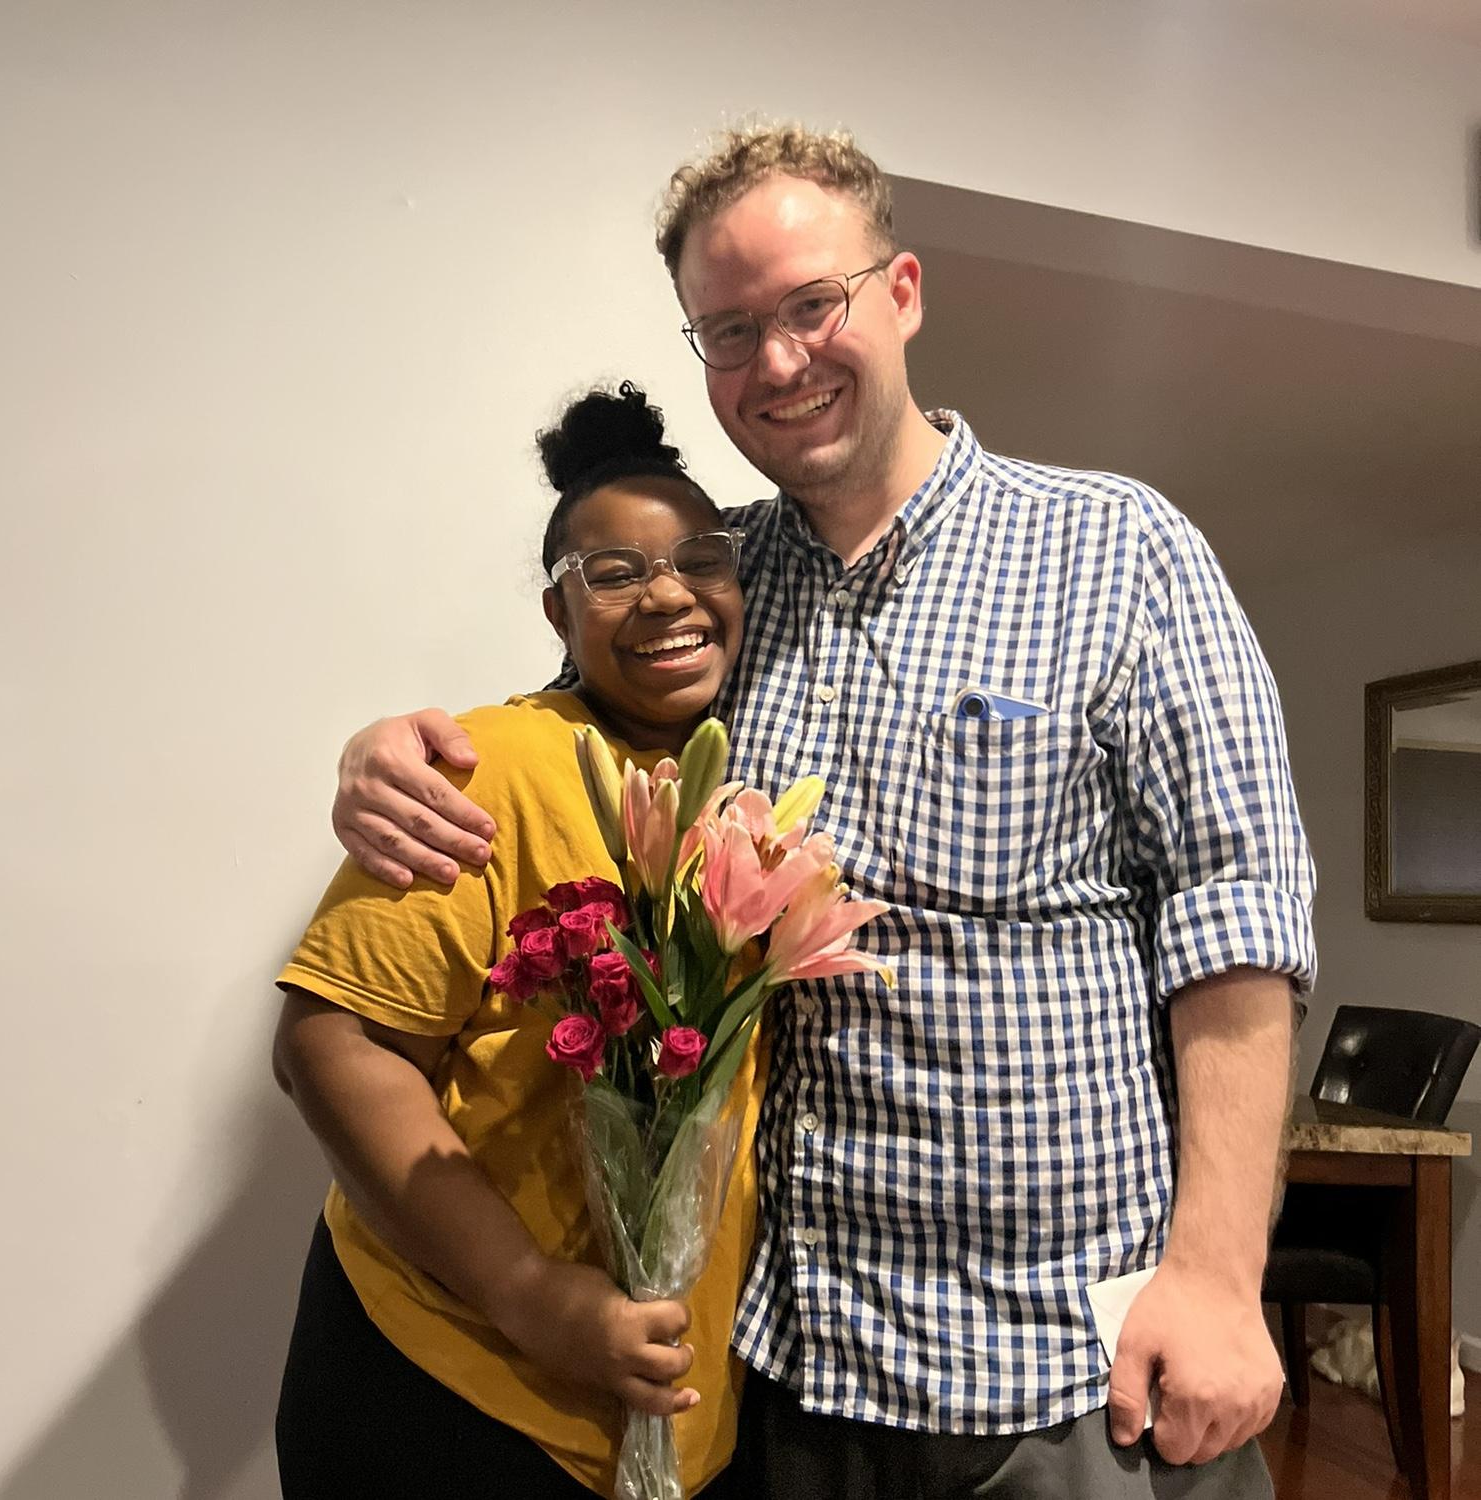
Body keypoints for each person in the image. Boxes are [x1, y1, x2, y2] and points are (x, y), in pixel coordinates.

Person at [328, 126, 1317, 1499]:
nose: (779, 362)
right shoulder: (715, 584)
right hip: (784, 1378)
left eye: (812, 305)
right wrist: (384, 753)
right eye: (730, 333)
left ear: (901, 292)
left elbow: (1235, 916)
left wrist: (1216, 1272)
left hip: (1065, 1377)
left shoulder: (1118, 551)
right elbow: (560, 731)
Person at [272, 383, 761, 1498]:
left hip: (663, 1412)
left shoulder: (739, 785)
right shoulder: (490, 767)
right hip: (452, 1385)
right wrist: (530, 1294)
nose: (667, 594)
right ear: (558, 612)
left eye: (700, 560)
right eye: (615, 573)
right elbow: (331, 1046)